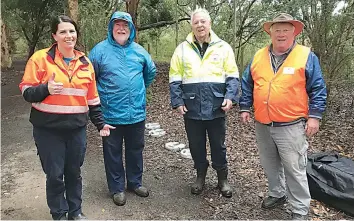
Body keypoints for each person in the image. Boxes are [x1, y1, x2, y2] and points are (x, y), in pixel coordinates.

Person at [19, 15, 114, 220]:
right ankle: (59, 213)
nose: (68, 35)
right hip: (48, 129)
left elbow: (92, 98)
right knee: (54, 175)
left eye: (71, 31)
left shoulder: (85, 62)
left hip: (76, 129)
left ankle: (75, 211)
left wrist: (100, 124)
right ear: (54, 35)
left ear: (76, 34)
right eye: (62, 31)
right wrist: (46, 89)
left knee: (74, 172)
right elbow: (27, 92)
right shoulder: (40, 58)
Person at [239, 13, 327, 220]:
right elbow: (247, 83)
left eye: (285, 29)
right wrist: (244, 107)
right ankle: (277, 193)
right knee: (270, 164)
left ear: (294, 32)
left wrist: (314, 116)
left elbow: (318, 88)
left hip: (291, 125)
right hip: (263, 123)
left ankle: (299, 210)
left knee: (295, 169)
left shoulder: (306, 56)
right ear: (270, 32)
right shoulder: (258, 56)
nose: (281, 34)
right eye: (276, 30)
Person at [169, 8, 239, 198]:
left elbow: (232, 76)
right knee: (196, 145)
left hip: (217, 106)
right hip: (192, 107)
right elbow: (175, 78)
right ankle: (200, 176)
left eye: (203, 22)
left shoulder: (223, 47)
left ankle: (222, 179)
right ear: (191, 25)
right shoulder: (182, 49)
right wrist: (177, 101)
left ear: (209, 24)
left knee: (219, 145)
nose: (200, 25)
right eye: (196, 22)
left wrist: (230, 97)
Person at [88, 11, 156, 206]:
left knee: (136, 150)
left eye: (125, 25)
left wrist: (137, 89)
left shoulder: (139, 51)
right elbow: (90, 79)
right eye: (117, 25)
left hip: (136, 113)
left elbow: (150, 72)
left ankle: (135, 182)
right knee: (113, 153)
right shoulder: (99, 51)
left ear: (131, 29)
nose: (121, 28)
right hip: (110, 114)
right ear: (111, 28)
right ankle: (117, 188)